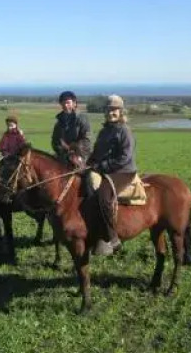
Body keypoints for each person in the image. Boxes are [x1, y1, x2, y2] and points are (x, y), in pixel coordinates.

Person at [87, 94, 138, 256]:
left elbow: (125, 157)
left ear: (121, 112)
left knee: (103, 195)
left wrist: (102, 166)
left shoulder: (125, 131)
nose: (111, 113)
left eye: (115, 110)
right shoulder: (104, 131)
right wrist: (88, 164)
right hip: (106, 170)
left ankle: (112, 238)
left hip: (123, 171)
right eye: (109, 110)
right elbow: (96, 152)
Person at [51, 91, 91, 166]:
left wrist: (74, 150)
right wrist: (62, 151)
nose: (66, 105)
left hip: (80, 156)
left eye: (68, 103)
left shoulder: (82, 119)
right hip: (63, 156)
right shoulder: (59, 122)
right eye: (63, 103)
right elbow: (55, 141)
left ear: (74, 103)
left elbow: (87, 140)